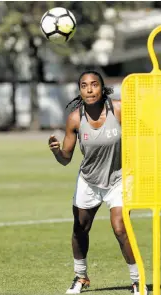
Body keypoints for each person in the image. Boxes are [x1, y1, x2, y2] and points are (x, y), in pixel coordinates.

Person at [48, 70, 148, 295]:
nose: (89, 89)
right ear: (80, 90)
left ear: (102, 88)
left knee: (120, 228)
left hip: (120, 178)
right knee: (80, 229)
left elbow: (145, 132)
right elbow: (66, 158)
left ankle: (137, 281)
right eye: (84, 86)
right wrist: (56, 152)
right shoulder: (75, 118)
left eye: (94, 84)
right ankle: (81, 278)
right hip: (89, 181)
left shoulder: (120, 109)